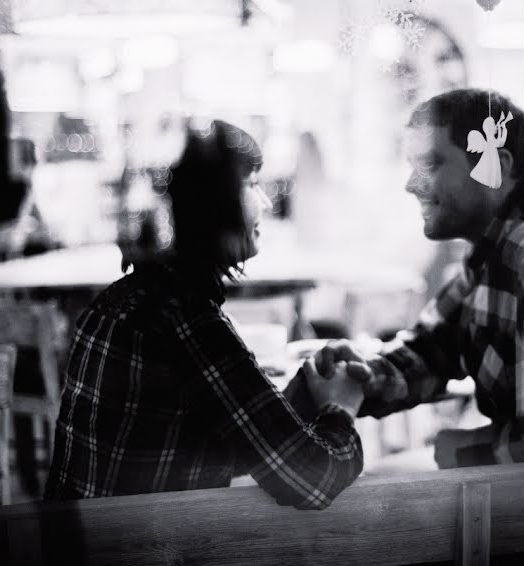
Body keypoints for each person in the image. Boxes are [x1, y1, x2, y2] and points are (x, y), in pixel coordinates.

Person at [44, 120, 364, 508]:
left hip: (83, 555)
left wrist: (306, 390)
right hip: (139, 562)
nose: (264, 202)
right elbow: (311, 479)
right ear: (214, 203)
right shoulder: (189, 322)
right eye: (252, 185)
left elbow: (226, 439)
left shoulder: (123, 299)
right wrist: (341, 408)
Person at [315, 88, 524, 469]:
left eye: (429, 164)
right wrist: (363, 375)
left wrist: (465, 449)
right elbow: (432, 349)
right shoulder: (490, 253)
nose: (411, 184)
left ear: (498, 166)